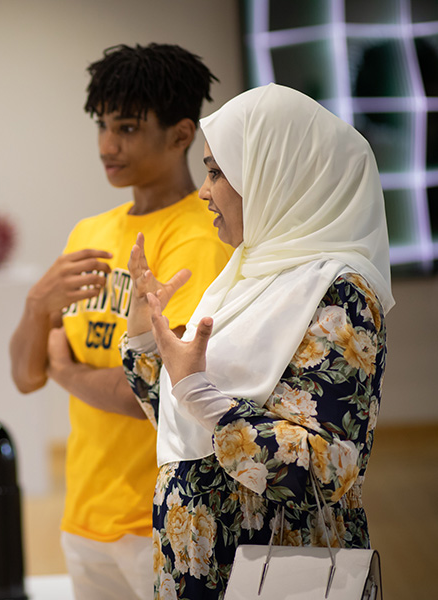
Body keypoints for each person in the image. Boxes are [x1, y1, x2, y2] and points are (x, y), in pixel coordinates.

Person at [120, 83, 393, 599]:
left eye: (218, 172)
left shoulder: (340, 291)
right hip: (201, 568)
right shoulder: (244, 277)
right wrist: (143, 334)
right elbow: (183, 419)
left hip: (280, 570)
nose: (204, 191)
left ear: (276, 174)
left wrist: (210, 403)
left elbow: (332, 467)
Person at [9, 43, 232, 599]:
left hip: (158, 513)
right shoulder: (90, 232)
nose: (108, 144)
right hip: (84, 510)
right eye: (103, 125)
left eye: (127, 128)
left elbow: (152, 391)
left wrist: (66, 373)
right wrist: (37, 306)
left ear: (181, 135)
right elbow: (25, 376)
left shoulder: (199, 236)